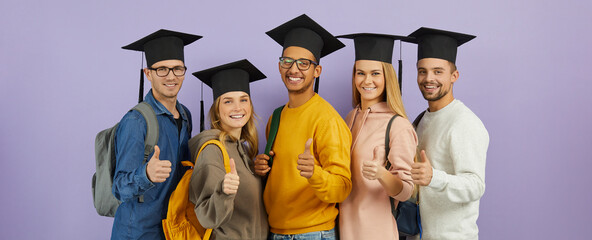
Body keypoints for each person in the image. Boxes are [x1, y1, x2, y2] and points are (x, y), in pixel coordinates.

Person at [254, 14, 352, 240]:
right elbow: (282, 173)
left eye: (304, 63)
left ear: (317, 71)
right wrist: (262, 168)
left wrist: (315, 174)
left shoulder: (327, 120)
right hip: (275, 231)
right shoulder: (276, 117)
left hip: (313, 233)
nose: (294, 69)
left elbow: (343, 187)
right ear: (279, 66)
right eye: (287, 61)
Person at [112, 29, 201, 240]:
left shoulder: (185, 115)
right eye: (162, 69)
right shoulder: (136, 121)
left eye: (177, 69)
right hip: (138, 233)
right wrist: (147, 175)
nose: (171, 76)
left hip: (172, 229)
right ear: (148, 73)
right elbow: (119, 188)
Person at [407, 27, 490, 240]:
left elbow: (475, 186)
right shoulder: (420, 120)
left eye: (438, 71)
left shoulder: (464, 122)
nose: (428, 78)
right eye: (422, 71)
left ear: (454, 76)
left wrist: (434, 177)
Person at [336, 33, 418, 240]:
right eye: (360, 73)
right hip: (344, 229)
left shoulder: (397, 125)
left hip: (377, 232)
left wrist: (382, 174)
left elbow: (406, 191)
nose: (367, 81)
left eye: (375, 73)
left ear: (387, 77)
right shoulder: (350, 117)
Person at [189, 59, 269, 240]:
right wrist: (224, 192)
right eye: (228, 101)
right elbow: (207, 217)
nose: (238, 107)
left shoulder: (244, 150)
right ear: (217, 109)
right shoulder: (212, 151)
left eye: (243, 99)